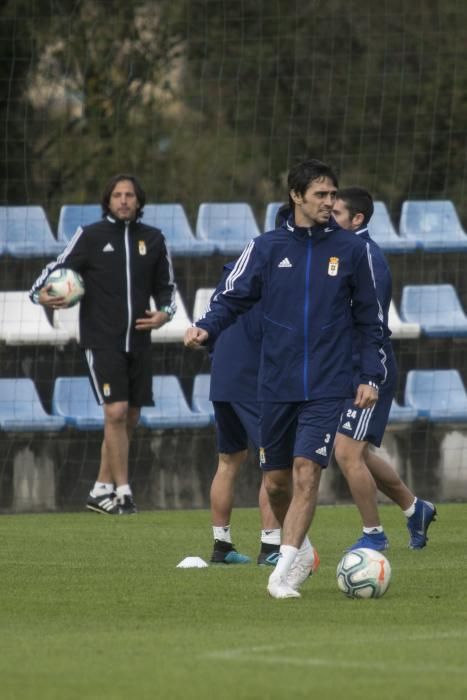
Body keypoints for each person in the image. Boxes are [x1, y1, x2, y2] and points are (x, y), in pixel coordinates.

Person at [185, 158, 385, 599]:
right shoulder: (266, 248)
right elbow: (231, 297)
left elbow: (371, 321)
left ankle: (282, 572)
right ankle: (305, 550)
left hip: (328, 384)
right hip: (274, 383)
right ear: (296, 196)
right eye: (320, 195)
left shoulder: (352, 251)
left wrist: (370, 374)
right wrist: (207, 327)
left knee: (306, 472)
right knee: (276, 482)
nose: (329, 203)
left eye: (333, 195)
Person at [30, 174, 177, 515]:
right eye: (117, 195)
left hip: (139, 340)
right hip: (101, 340)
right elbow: (54, 269)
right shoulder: (90, 236)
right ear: (108, 201)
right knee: (115, 411)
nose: (124, 200)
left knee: (131, 416)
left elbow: (167, 288)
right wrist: (40, 294)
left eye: (129, 195)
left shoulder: (154, 239)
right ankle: (123, 492)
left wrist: (165, 315)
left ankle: (99, 489)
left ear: (139, 201)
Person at [331, 187, 437, 549]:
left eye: (336, 214)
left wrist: (369, 374)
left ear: (357, 219)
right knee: (358, 452)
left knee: (346, 452)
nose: (329, 218)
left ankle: (373, 536)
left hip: (368, 368)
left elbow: (374, 323)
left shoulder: (367, 256)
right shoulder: (339, 252)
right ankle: (414, 508)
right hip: (341, 367)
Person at [206, 262, 284, 566]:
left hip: (222, 376)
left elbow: (211, 322)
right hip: (254, 379)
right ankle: (270, 547)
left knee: (228, 460)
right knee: (275, 462)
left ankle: (221, 547)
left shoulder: (231, 272)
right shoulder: (279, 273)